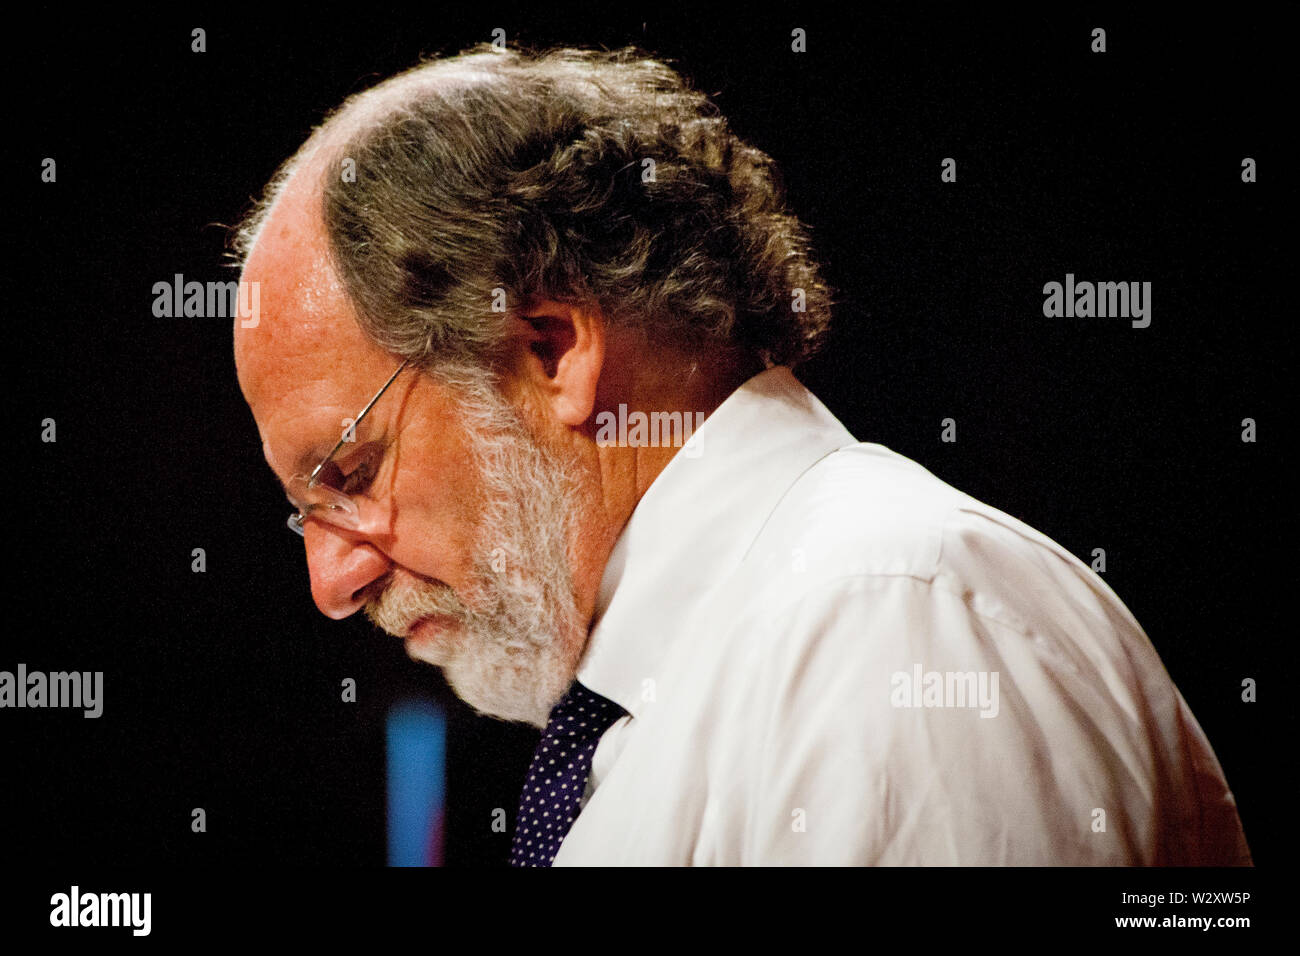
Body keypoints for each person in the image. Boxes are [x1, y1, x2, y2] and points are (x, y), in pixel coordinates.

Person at [231, 43, 1251, 866]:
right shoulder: (686, 691)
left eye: (350, 473)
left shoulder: (882, 622)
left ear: (552, 347)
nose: (332, 578)